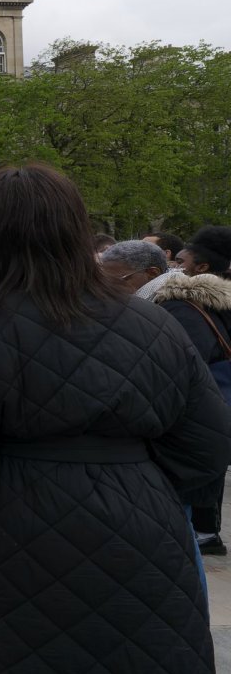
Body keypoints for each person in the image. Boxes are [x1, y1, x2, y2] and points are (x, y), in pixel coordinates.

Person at [0, 164, 230, 674]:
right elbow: (206, 446)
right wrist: (129, 479)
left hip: (14, 530)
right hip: (144, 529)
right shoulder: (152, 321)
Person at [151, 225, 231, 556]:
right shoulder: (215, 304)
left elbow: (184, 365)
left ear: (201, 267)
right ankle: (207, 530)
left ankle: (204, 532)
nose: (175, 268)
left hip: (201, 407)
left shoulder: (183, 307)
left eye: (182, 262)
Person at [99, 239, 179, 300]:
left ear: (152, 274)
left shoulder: (176, 310)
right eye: (105, 280)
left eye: (117, 280)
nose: (107, 287)